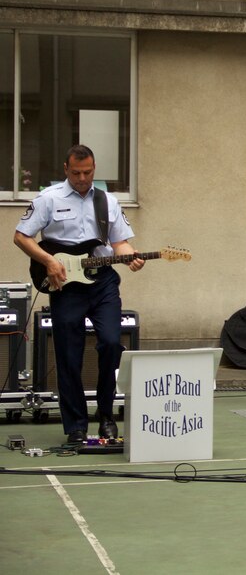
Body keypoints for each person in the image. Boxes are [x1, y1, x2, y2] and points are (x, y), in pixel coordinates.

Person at [13, 144, 145, 444]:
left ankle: (107, 417)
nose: (82, 178)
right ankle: (75, 426)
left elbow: (120, 243)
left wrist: (131, 257)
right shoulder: (49, 199)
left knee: (112, 343)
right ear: (66, 169)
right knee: (68, 354)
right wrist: (48, 262)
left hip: (102, 283)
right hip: (66, 285)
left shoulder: (107, 201)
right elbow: (21, 237)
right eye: (76, 173)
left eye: (87, 172)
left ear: (94, 169)